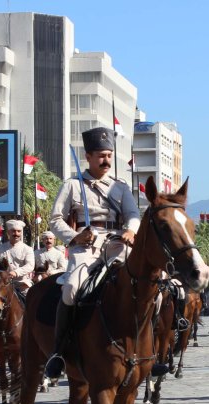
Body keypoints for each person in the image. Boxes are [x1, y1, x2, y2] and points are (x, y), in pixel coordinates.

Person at [44, 126, 141, 378]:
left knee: (148, 286)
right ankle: (60, 350)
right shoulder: (72, 186)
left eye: (109, 155)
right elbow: (55, 219)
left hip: (117, 245)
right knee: (71, 290)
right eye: (100, 155)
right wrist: (75, 236)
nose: (106, 160)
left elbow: (133, 215)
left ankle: (154, 349)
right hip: (85, 247)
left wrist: (130, 230)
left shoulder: (120, 188)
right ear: (88, 156)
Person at [0, 219, 35, 296]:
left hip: (22, 285)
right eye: (13, 231)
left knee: (31, 305)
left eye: (19, 231)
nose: (16, 234)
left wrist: (15, 272)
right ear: (8, 232)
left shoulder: (28, 249)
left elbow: (30, 266)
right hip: (2, 285)